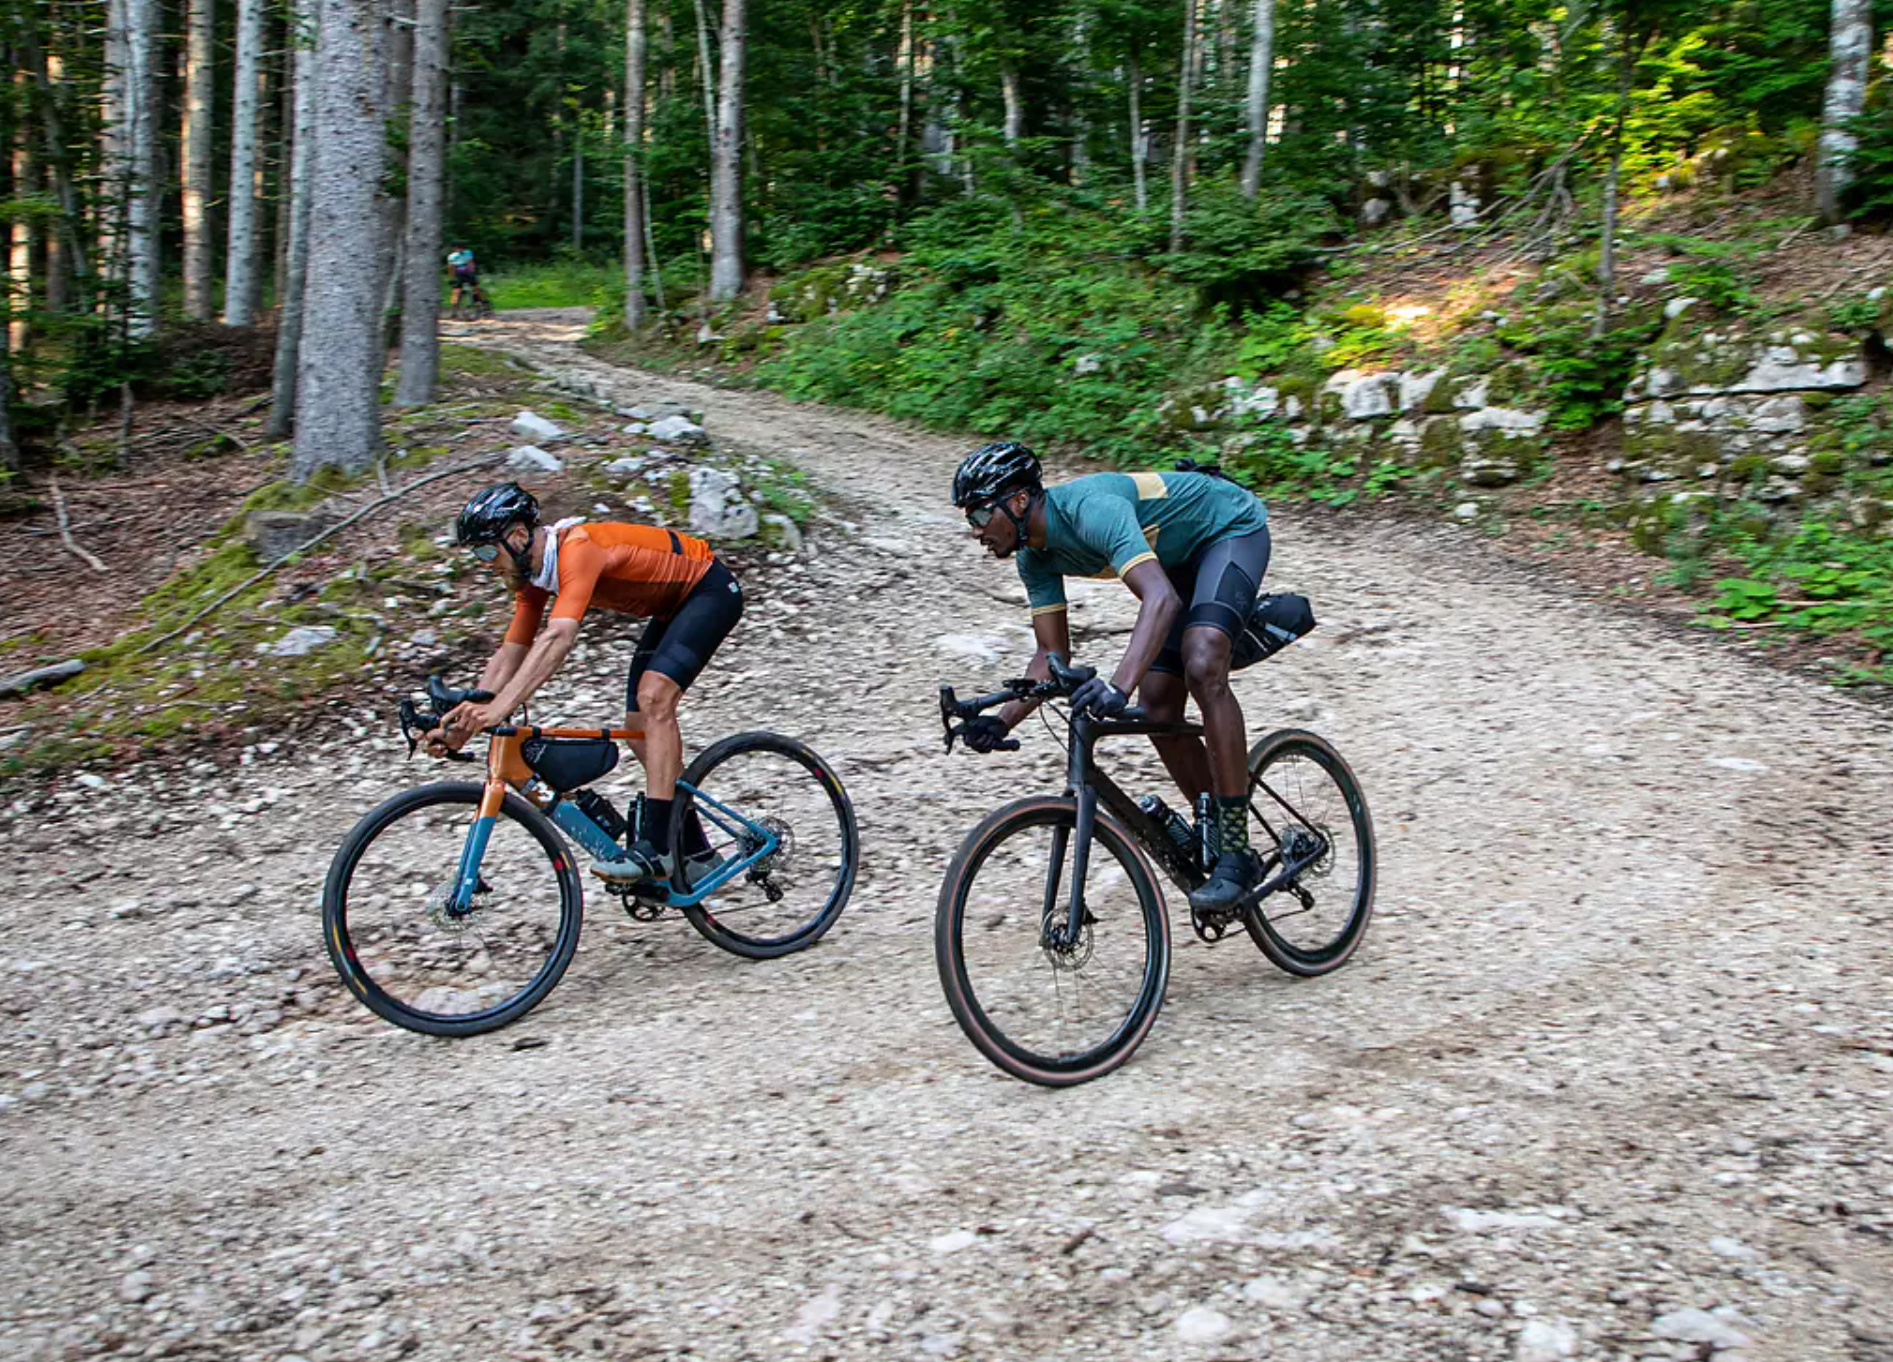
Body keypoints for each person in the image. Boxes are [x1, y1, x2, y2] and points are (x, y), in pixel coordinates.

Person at [951, 442, 1272, 915]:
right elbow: (1051, 652)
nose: (975, 531)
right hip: (1179, 557)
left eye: (979, 515)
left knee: (1203, 665)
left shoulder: (1090, 511)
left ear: (1018, 501)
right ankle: (1217, 833)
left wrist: (1118, 686)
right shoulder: (1032, 557)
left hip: (1229, 529)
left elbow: (1159, 599)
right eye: (969, 520)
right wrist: (1001, 722)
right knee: (1160, 706)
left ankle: (1237, 851)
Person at [433, 482, 744, 885]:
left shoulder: (577, 548)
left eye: (487, 551)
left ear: (518, 536)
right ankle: (697, 852)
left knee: (655, 700)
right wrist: (464, 719)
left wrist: (497, 709)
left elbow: (558, 637)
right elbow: (510, 653)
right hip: (671, 609)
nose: (485, 563)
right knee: (638, 732)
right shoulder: (533, 582)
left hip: (709, 590)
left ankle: (657, 849)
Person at [445, 245, 487, 313]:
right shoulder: (452, 256)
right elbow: (451, 267)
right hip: (460, 273)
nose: (460, 249)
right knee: (457, 291)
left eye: (461, 248)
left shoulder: (466, 252)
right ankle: (454, 308)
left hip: (466, 272)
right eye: (458, 248)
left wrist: (471, 272)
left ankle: (481, 302)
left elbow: (470, 263)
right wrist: (451, 277)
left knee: (475, 288)